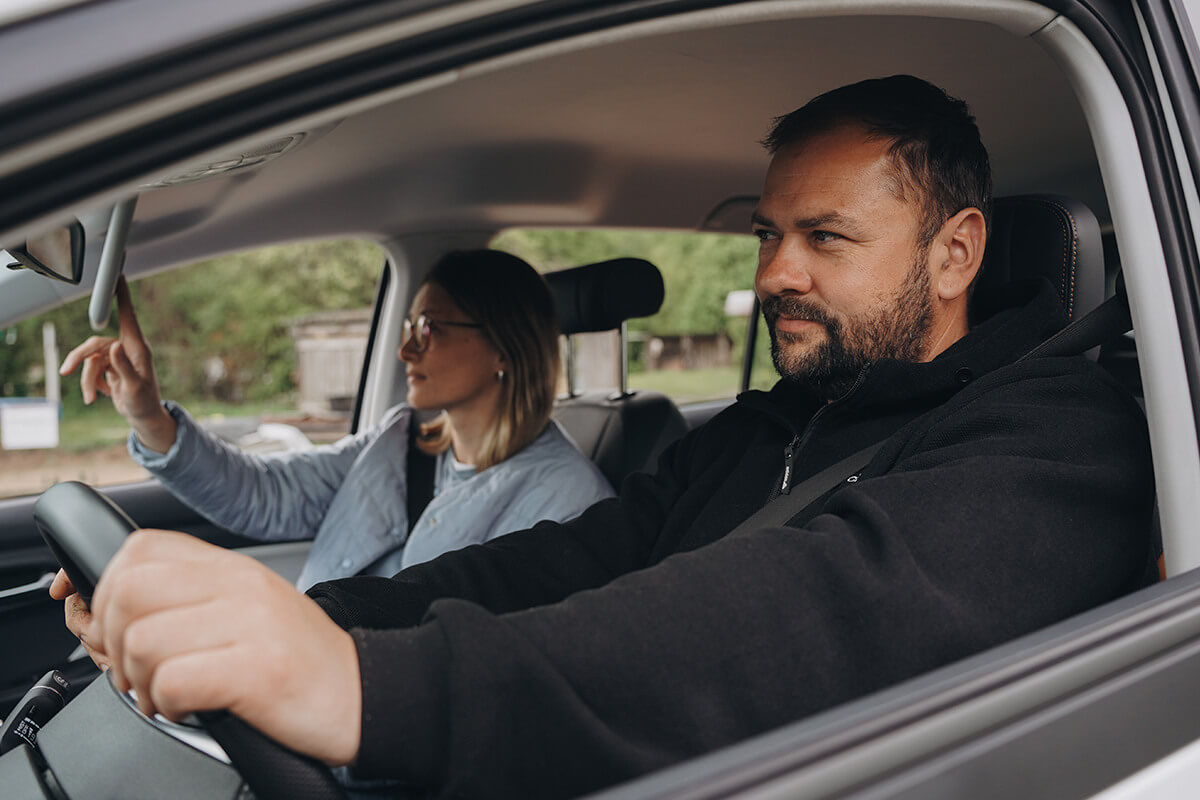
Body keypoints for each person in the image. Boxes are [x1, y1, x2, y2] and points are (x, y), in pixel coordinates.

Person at [57, 76, 1155, 799]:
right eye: (771, 235)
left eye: (825, 236)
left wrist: (375, 685)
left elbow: (810, 613)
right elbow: (580, 561)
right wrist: (309, 623)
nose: (774, 272)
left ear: (957, 253)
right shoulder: (766, 425)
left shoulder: (1054, 437)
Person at [56, 249, 613, 597]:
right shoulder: (399, 440)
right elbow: (262, 494)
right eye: (409, 325)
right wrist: (148, 414)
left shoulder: (570, 503)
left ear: (504, 348)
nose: (404, 350)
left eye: (429, 328)